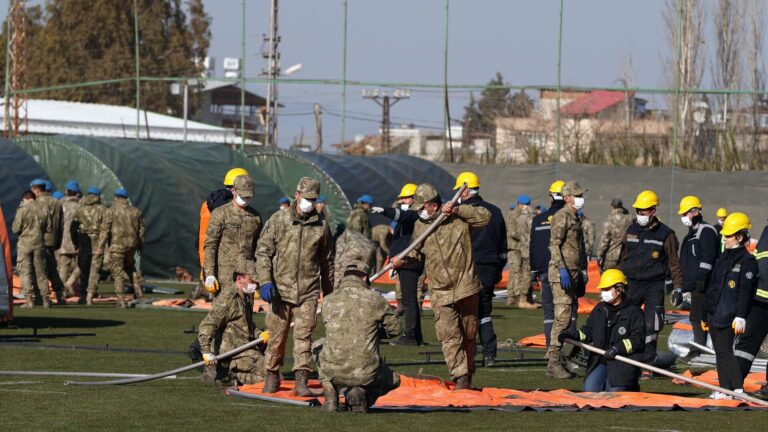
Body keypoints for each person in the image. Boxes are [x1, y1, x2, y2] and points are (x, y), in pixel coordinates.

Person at [392, 183, 490, 389]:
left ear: (433, 205)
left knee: (468, 333)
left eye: (421, 207)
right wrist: (403, 260)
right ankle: (460, 376)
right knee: (448, 335)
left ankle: (468, 372)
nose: (419, 211)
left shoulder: (458, 218)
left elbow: (485, 217)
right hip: (439, 290)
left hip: (466, 286)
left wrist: (458, 209)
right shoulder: (420, 225)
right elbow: (416, 252)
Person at [256, 177, 335, 396]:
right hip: (279, 292)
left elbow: (328, 261)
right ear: (297, 194)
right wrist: (265, 281)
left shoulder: (321, 226)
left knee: (304, 338)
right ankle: (271, 375)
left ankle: (302, 380)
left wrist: (329, 293)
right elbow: (263, 252)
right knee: (276, 337)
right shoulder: (279, 220)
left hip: (308, 291)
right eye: (306, 197)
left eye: (313, 199)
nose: (309, 202)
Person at [319, 260, 402, 413]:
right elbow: (396, 330)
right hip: (365, 371)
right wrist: (376, 334)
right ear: (364, 278)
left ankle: (330, 398)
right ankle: (364, 394)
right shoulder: (375, 299)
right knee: (395, 379)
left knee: (318, 346)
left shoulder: (328, 300)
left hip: (332, 370)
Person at [618, 190, 683, 371]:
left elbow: (674, 263)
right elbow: (622, 257)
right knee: (625, 320)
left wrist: (677, 287)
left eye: (644, 211)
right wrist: (616, 279)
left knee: (652, 324)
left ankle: (648, 364)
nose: (640, 214)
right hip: (631, 284)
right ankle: (625, 358)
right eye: (638, 210)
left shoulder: (666, 234)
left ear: (653, 211)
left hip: (653, 286)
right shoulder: (631, 230)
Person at [559, 269, 645, 392]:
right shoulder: (600, 309)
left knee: (613, 394)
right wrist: (572, 335)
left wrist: (617, 348)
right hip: (600, 360)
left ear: (619, 290)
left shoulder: (634, 312)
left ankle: (630, 386)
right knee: (590, 390)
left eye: (606, 289)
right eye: (602, 289)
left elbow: (638, 340)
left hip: (622, 363)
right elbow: (588, 331)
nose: (603, 293)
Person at [702, 212, 758, 400]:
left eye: (728, 235)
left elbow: (745, 292)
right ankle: (725, 389)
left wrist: (741, 316)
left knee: (726, 352)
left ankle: (738, 390)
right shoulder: (724, 257)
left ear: (739, 237)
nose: (724, 238)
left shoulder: (748, 262)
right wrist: (705, 311)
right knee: (719, 352)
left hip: (730, 315)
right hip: (714, 312)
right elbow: (713, 285)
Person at [454, 171, 507, 367]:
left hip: (467, 268)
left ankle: (466, 354)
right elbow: (503, 246)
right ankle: (490, 354)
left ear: (465, 190)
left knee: (465, 312)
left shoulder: (459, 212)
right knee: (484, 312)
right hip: (489, 268)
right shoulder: (495, 211)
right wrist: (497, 269)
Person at [198, 258, 268, 386]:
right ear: (239, 278)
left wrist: (259, 334)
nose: (255, 285)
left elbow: (245, 324)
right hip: (233, 351)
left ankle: (234, 375)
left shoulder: (245, 296)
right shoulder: (229, 298)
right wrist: (206, 351)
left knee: (273, 373)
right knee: (270, 378)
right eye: (252, 280)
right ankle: (230, 375)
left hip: (245, 347)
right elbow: (208, 325)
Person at [546, 181, 588, 379]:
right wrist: (562, 269)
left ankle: (560, 358)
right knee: (562, 317)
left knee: (569, 315)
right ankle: (553, 362)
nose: (581, 198)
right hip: (561, 274)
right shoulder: (562, 216)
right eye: (577, 195)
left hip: (572, 273)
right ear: (567, 198)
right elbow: (554, 245)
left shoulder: (574, 217)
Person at [375, 183, 425, 346]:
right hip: (403, 262)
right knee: (410, 300)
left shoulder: (416, 215)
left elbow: (402, 216)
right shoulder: (410, 216)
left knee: (409, 300)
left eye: (405, 197)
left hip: (409, 262)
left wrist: (385, 210)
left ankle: (410, 336)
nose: (401, 200)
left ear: (414, 198)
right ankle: (416, 336)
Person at [675, 196, 719, 360]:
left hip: (706, 285)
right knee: (696, 317)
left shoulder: (706, 231)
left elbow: (708, 259)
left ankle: (711, 350)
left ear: (695, 212)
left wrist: (701, 280)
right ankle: (699, 348)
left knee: (706, 318)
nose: (683, 217)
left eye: (685, 213)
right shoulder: (691, 234)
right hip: (696, 286)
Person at [530, 180, 566, 348]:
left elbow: (534, 246)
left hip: (545, 271)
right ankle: (566, 348)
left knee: (549, 312)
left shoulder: (539, 220)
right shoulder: (570, 216)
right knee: (567, 310)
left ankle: (550, 347)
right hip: (566, 270)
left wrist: (534, 269)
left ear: (550, 195)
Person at [96, 188, 145, 308]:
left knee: (117, 273)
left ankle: (121, 299)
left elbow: (105, 230)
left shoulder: (111, 211)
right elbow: (142, 230)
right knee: (131, 268)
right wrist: (140, 245)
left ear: (115, 197)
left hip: (117, 246)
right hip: (132, 246)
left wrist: (100, 247)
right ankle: (139, 292)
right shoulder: (136, 211)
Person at [735, 224, 768, 397]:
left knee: (747, 341)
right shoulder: (766, 230)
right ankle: (733, 384)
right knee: (747, 343)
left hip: (761, 296)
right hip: (760, 299)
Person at [12, 191, 50, 308]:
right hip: (39, 244)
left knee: (25, 273)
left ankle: (29, 301)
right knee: (41, 273)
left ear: (25, 198)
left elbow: (15, 229)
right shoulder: (44, 210)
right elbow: (49, 228)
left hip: (25, 245)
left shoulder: (22, 210)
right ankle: (45, 300)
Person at [29, 179, 65, 304]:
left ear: (36, 190)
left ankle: (40, 297)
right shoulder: (57, 202)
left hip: (38, 240)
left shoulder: (35, 203)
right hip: (52, 240)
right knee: (52, 268)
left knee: (38, 269)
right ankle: (60, 296)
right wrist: (58, 241)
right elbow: (61, 224)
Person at [72, 187, 106, 304]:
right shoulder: (103, 210)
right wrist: (102, 245)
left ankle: (82, 295)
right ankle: (90, 297)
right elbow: (106, 229)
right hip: (97, 243)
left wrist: (75, 243)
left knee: (83, 270)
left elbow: (73, 227)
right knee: (95, 271)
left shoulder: (80, 209)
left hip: (83, 243)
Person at [506, 195, 538, 308]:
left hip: (523, 247)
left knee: (522, 272)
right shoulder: (513, 214)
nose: (525, 207)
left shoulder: (527, 215)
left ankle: (518, 296)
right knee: (516, 272)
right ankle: (513, 296)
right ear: (518, 204)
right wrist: (525, 237)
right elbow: (512, 232)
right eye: (524, 204)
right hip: (514, 247)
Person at [56, 180, 81, 297]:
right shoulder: (80, 206)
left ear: (66, 191)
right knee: (80, 266)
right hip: (77, 241)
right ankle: (70, 284)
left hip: (62, 242)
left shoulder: (60, 205)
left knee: (63, 268)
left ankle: (62, 291)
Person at [596, 198, 633, 271]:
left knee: (609, 279)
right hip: (626, 257)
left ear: (612, 207)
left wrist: (599, 255)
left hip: (611, 258)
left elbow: (604, 242)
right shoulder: (630, 219)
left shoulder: (610, 220)